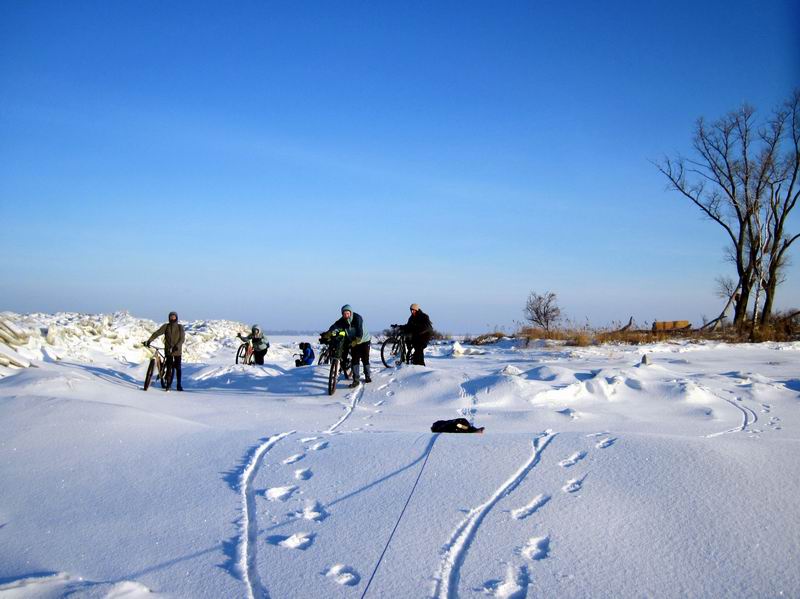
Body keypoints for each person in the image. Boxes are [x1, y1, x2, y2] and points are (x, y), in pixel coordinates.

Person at [328, 304, 371, 387]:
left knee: (365, 358)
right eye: (344, 314)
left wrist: (356, 340)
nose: (346, 315)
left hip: (364, 340)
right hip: (353, 341)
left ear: (351, 313)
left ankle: (367, 376)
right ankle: (356, 380)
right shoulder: (343, 320)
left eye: (347, 313)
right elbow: (334, 326)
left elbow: (359, 332)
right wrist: (328, 333)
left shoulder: (357, 318)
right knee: (355, 360)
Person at [145, 311, 185, 391]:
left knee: (178, 368)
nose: (172, 318)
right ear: (169, 318)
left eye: (174, 316)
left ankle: (179, 384)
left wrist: (177, 346)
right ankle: (168, 385)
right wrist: (149, 340)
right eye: (171, 317)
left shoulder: (180, 327)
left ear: (176, 317)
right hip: (168, 350)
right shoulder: (166, 326)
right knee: (169, 366)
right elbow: (157, 333)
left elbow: (182, 339)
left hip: (177, 350)